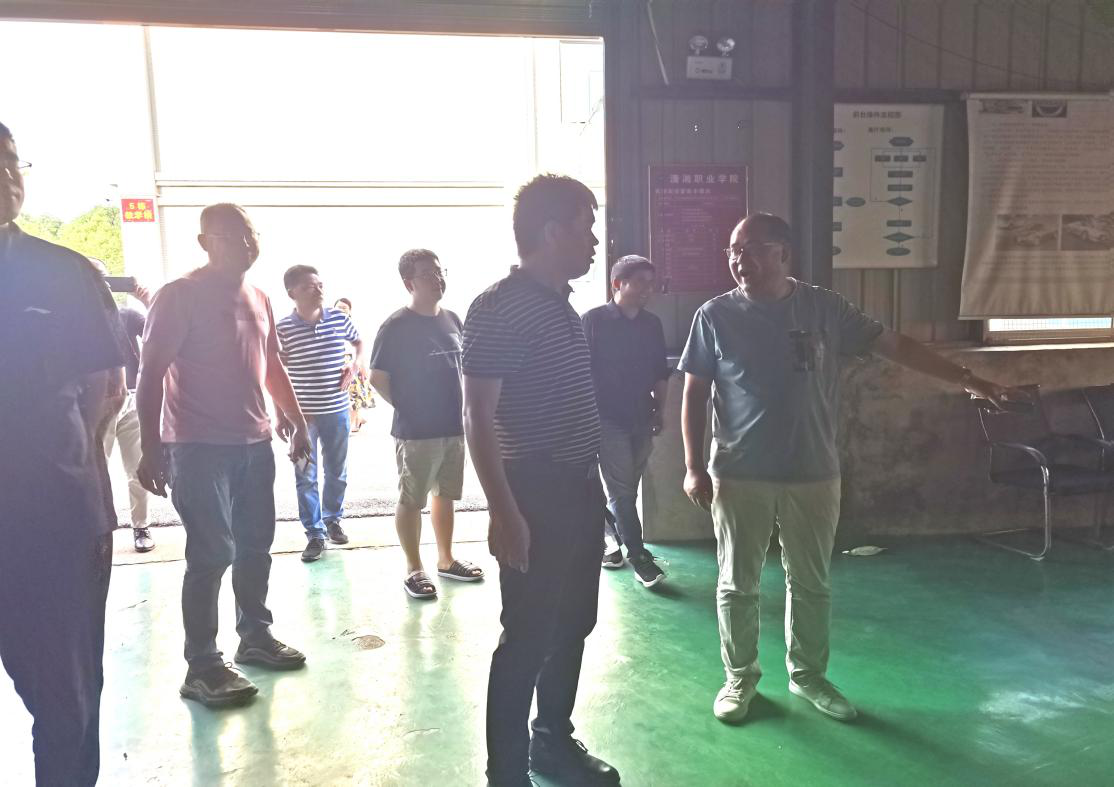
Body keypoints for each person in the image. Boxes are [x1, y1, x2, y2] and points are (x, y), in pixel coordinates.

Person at [679, 212, 1016, 725]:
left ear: (783, 253)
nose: (739, 259)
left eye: (751, 248)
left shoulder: (824, 308)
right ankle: (739, 677)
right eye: (733, 250)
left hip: (814, 469)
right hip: (740, 470)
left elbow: (895, 345)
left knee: (811, 582)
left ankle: (809, 675)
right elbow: (694, 392)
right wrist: (692, 465)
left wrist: (968, 378)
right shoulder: (714, 315)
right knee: (736, 583)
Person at [463, 175, 618, 787]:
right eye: (586, 227)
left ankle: (551, 740)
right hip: (535, 491)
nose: (595, 241)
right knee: (527, 636)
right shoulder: (498, 307)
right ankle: (506, 773)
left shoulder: (560, 301)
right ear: (552, 232)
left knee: (574, 621)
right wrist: (505, 512)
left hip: (579, 487)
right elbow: (476, 416)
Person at [135, 203, 313, 708]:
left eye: (250, 235)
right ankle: (202, 665)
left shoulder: (259, 296)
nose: (245, 245)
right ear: (204, 242)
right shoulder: (179, 295)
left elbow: (271, 363)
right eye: (231, 237)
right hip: (197, 448)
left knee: (256, 546)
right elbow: (150, 373)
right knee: (212, 552)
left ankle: (254, 635)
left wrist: (295, 419)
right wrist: (151, 445)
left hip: (254, 444)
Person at [0, 120, 125, 786]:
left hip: (56, 524)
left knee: (68, 699)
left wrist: (61, 465)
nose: (7, 176)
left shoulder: (63, 274)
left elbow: (108, 390)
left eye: (13, 161)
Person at [369, 248, 483, 599]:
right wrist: (409, 407)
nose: (437, 279)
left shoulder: (452, 319)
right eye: (427, 274)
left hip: (453, 426)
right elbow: (377, 378)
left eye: (439, 271)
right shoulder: (395, 326)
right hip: (416, 432)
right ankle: (413, 568)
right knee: (412, 498)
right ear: (409, 283)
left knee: (445, 495)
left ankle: (446, 560)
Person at [582, 254, 670, 587]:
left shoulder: (652, 324)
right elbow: (579, 372)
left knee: (626, 489)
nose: (649, 289)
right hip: (605, 418)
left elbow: (660, 371)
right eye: (641, 282)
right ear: (618, 283)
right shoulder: (592, 321)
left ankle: (610, 537)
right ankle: (639, 556)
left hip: (641, 416)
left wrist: (661, 409)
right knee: (621, 491)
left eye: (652, 282)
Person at [276, 265, 366, 562]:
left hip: (337, 411)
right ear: (292, 293)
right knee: (305, 474)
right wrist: (280, 415)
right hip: (302, 418)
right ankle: (314, 533)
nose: (318, 290)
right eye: (309, 286)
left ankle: (332, 519)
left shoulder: (339, 318)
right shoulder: (283, 329)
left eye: (320, 285)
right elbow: (276, 375)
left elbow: (358, 343)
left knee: (337, 470)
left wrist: (355, 364)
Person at [102, 279, 156, 552]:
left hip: (132, 397)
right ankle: (100, 531)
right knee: (98, 470)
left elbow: (159, 331)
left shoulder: (127, 315)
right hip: (98, 402)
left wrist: (148, 301)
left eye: (105, 279)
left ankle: (141, 526)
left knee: (136, 467)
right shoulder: (78, 316)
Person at [334, 296, 374, 431]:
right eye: (338, 307)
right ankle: (358, 419)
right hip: (339, 365)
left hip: (352, 363)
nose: (341, 310)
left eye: (344, 308)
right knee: (346, 394)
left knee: (354, 394)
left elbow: (360, 349)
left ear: (350, 311)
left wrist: (362, 368)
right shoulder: (330, 325)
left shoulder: (353, 326)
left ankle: (353, 423)